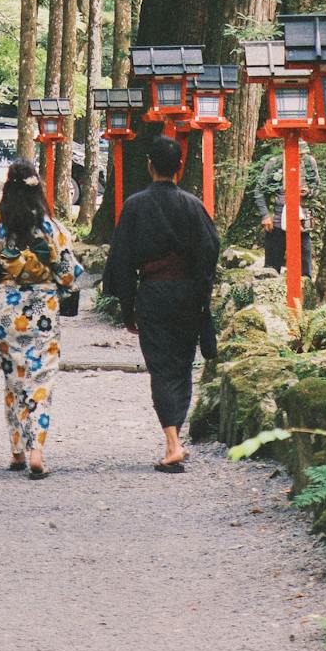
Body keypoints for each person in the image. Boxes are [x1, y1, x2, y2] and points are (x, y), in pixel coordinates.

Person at [103, 133, 220, 473]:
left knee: (161, 366)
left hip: (152, 294)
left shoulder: (135, 206)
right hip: (186, 293)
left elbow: (121, 259)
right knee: (182, 365)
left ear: (150, 165)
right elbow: (210, 249)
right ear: (179, 168)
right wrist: (201, 291)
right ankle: (174, 439)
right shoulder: (193, 206)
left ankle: (172, 441)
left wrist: (128, 307)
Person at [0, 160, 82, 478]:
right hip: (43, 310)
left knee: (14, 381)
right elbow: (70, 275)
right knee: (41, 382)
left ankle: (17, 451)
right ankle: (37, 453)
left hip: (6, 313)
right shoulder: (52, 229)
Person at [254, 140, 320, 279]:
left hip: (301, 220)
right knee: (272, 267)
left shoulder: (309, 163)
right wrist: (265, 214)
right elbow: (259, 190)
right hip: (277, 219)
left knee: (304, 268)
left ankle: (303, 294)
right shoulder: (274, 164)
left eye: (301, 155)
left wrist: (308, 192)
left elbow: (317, 188)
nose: (299, 158)